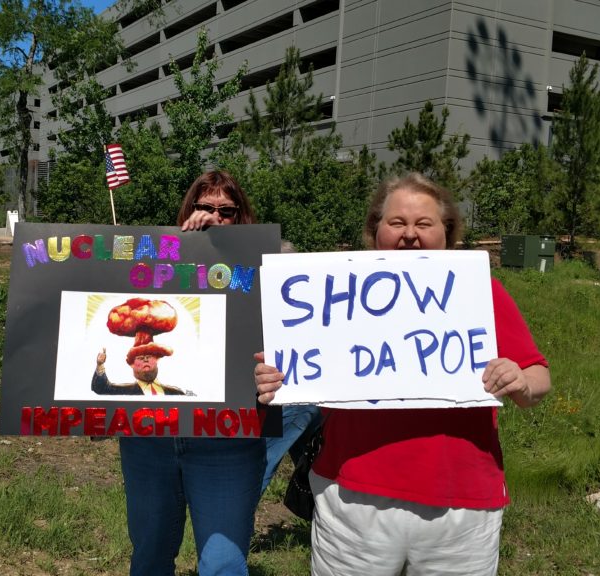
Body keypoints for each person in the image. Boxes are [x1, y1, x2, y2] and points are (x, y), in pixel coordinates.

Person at [254, 173, 551, 576]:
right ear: (374, 230)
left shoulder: (482, 290)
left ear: (447, 232)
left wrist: (521, 380)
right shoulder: (332, 289)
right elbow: (302, 366)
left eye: (424, 224)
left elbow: (537, 378)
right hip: (353, 495)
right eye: (396, 223)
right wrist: (272, 379)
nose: (409, 234)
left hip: (461, 502)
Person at [116, 170, 265, 576]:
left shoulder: (268, 268)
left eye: (226, 210)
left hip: (227, 442)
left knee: (223, 564)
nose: (214, 216)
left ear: (242, 217)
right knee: (149, 557)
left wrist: (227, 251)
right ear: (188, 211)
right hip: (151, 437)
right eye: (204, 207)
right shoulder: (150, 266)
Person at [260, 240, 322, 493]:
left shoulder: (280, 301)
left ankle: (237, 525)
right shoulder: (308, 297)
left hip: (290, 394)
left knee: (260, 461)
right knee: (313, 465)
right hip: (311, 393)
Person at [92, 348, 189, 395]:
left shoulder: (177, 393)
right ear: (132, 365)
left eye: (149, 357)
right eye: (140, 358)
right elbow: (101, 389)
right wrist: (100, 365)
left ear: (157, 361)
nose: (145, 360)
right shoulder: (125, 391)